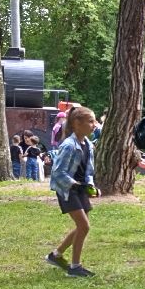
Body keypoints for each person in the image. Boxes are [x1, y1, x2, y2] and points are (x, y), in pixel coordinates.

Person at [47, 105, 97, 278]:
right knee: (84, 226)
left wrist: (90, 186)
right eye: (90, 121)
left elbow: (88, 171)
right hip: (67, 190)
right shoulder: (68, 145)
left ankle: (55, 255)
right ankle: (75, 267)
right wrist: (74, 185)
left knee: (81, 227)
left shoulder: (88, 145)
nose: (94, 125)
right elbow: (57, 173)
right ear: (77, 123)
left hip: (80, 188)